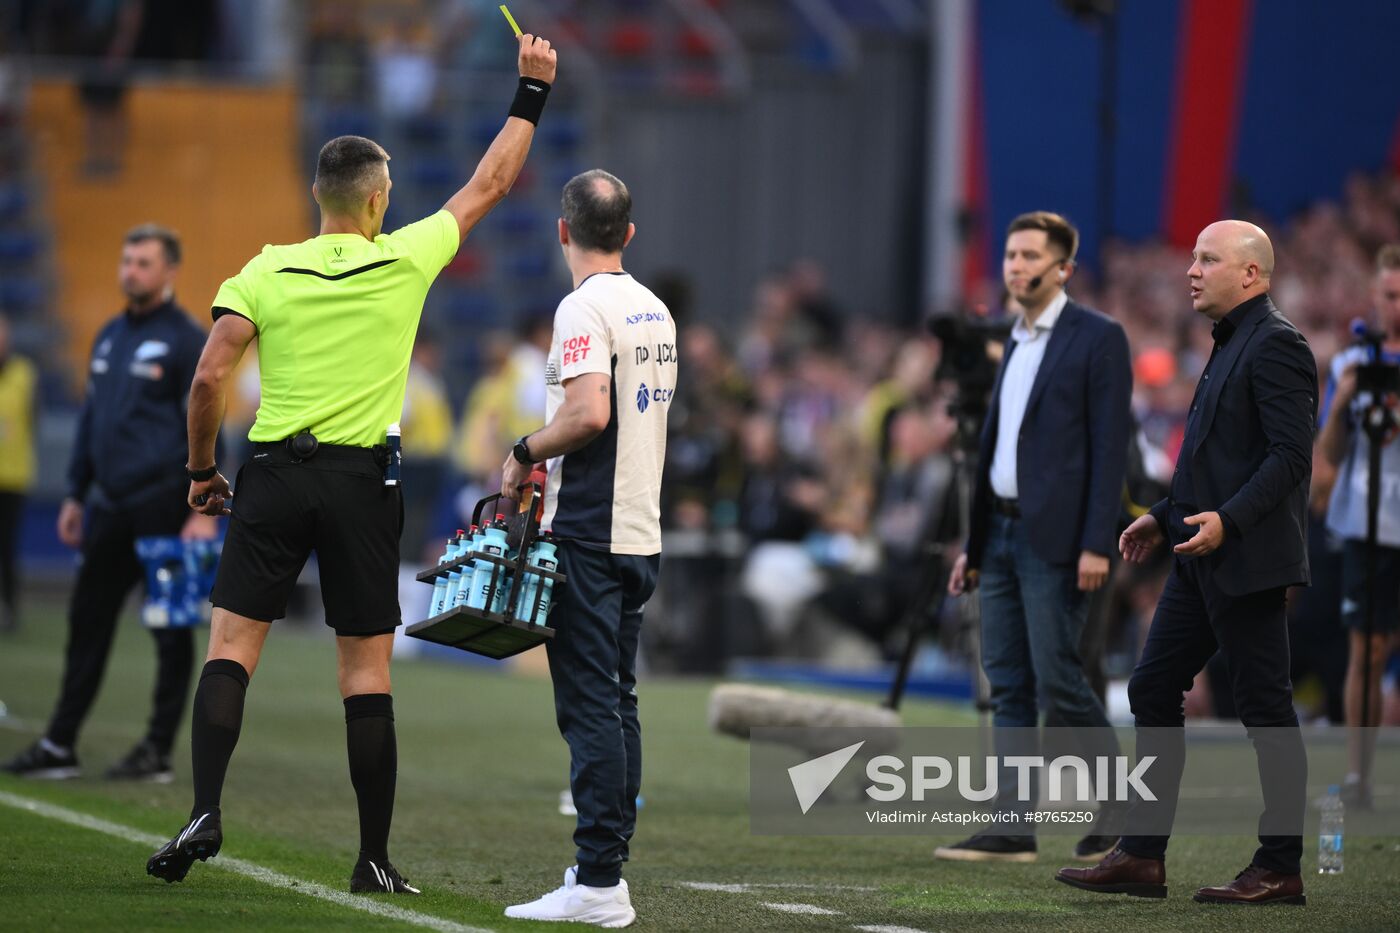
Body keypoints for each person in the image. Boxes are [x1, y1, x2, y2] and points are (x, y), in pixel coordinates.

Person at [145, 34, 559, 894]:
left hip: (275, 472)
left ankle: (205, 807)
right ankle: (372, 857)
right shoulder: (403, 258)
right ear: (377, 199)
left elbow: (211, 374)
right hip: (365, 481)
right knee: (365, 669)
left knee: (230, 646)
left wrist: (199, 470)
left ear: (317, 196)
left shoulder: (268, 267)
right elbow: (489, 183)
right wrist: (530, 89)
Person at [1058, 220, 1316, 905]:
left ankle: (1281, 864)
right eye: (1193, 258)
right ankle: (1142, 855)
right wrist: (1164, 512)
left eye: (1209, 259)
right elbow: (1214, 458)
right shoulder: (1233, 340)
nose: (1192, 270)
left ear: (1252, 274)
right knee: (1151, 685)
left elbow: (1290, 457)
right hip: (1198, 552)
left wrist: (1229, 519)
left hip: (1248, 557)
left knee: (1264, 706)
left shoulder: (1279, 345)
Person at [499, 169, 675, 928]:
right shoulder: (656, 309)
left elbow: (588, 413)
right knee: (618, 698)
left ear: (563, 230)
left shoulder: (582, 306)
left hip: (590, 535)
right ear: (628, 233)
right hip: (640, 531)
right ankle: (604, 868)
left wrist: (521, 451)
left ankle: (600, 881)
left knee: (591, 707)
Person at [940, 212, 1132, 863]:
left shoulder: (1099, 338)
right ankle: (1012, 824)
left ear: (1064, 269)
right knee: (1009, 680)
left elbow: (1111, 449)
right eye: (1011, 254)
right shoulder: (1016, 339)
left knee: (1060, 678)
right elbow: (997, 445)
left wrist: (1097, 541)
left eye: (1029, 256)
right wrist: (973, 539)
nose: (1015, 266)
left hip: (1057, 540)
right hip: (996, 532)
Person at [1, 225, 216, 781]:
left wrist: (200, 509)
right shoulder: (108, 336)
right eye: (126, 260)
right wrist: (76, 492)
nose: (130, 271)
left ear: (169, 271)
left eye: (143, 262)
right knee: (86, 621)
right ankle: (60, 742)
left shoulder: (187, 339)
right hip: (110, 505)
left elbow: (210, 419)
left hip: (167, 506)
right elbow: (92, 421)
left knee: (170, 628)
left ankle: (157, 750)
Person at [1317, 242, 1400, 809]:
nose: (1396, 305)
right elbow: (1329, 449)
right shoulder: (1350, 362)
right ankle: (1358, 777)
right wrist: (1345, 397)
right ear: (1375, 295)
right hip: (1367, 524)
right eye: (1391, 294)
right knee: (1365, 651)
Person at [0, 312, 37, 633]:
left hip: (13, 476)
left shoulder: (24, 373)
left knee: (8, 548)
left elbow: (33, 420)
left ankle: (10, 608)